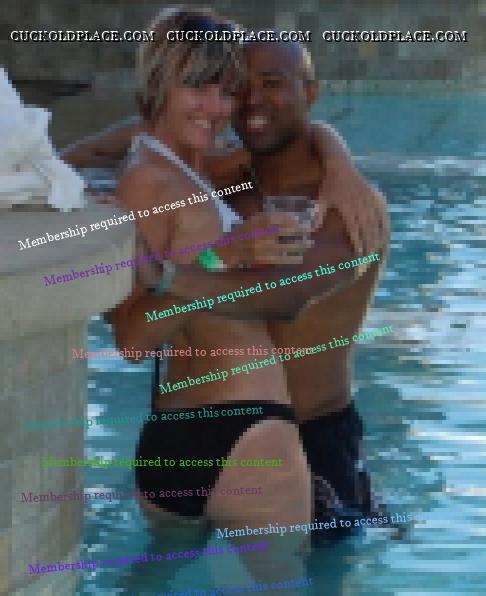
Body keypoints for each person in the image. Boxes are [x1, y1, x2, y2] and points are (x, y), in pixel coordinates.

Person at [63, 29, 390, 538]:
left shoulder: (345, 207)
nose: (253, 99)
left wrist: (168, 274)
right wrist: (62, 182)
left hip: (313, 437)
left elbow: (287, 295)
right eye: (241, 86)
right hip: (202, 424)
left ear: (310, 93)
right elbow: (139, 135)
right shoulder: (222, 179)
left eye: (272, 83)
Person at [100, 7, 313, 583]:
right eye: (198, 88)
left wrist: (335, 160)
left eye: (227, 92)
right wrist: (227, 255)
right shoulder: (151, 179)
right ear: (159, 81)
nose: (216, 109)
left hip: (174, 438)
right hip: (248, 434)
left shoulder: (179, 166)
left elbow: (297, 140)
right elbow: (132, 339)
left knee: (151, 582)